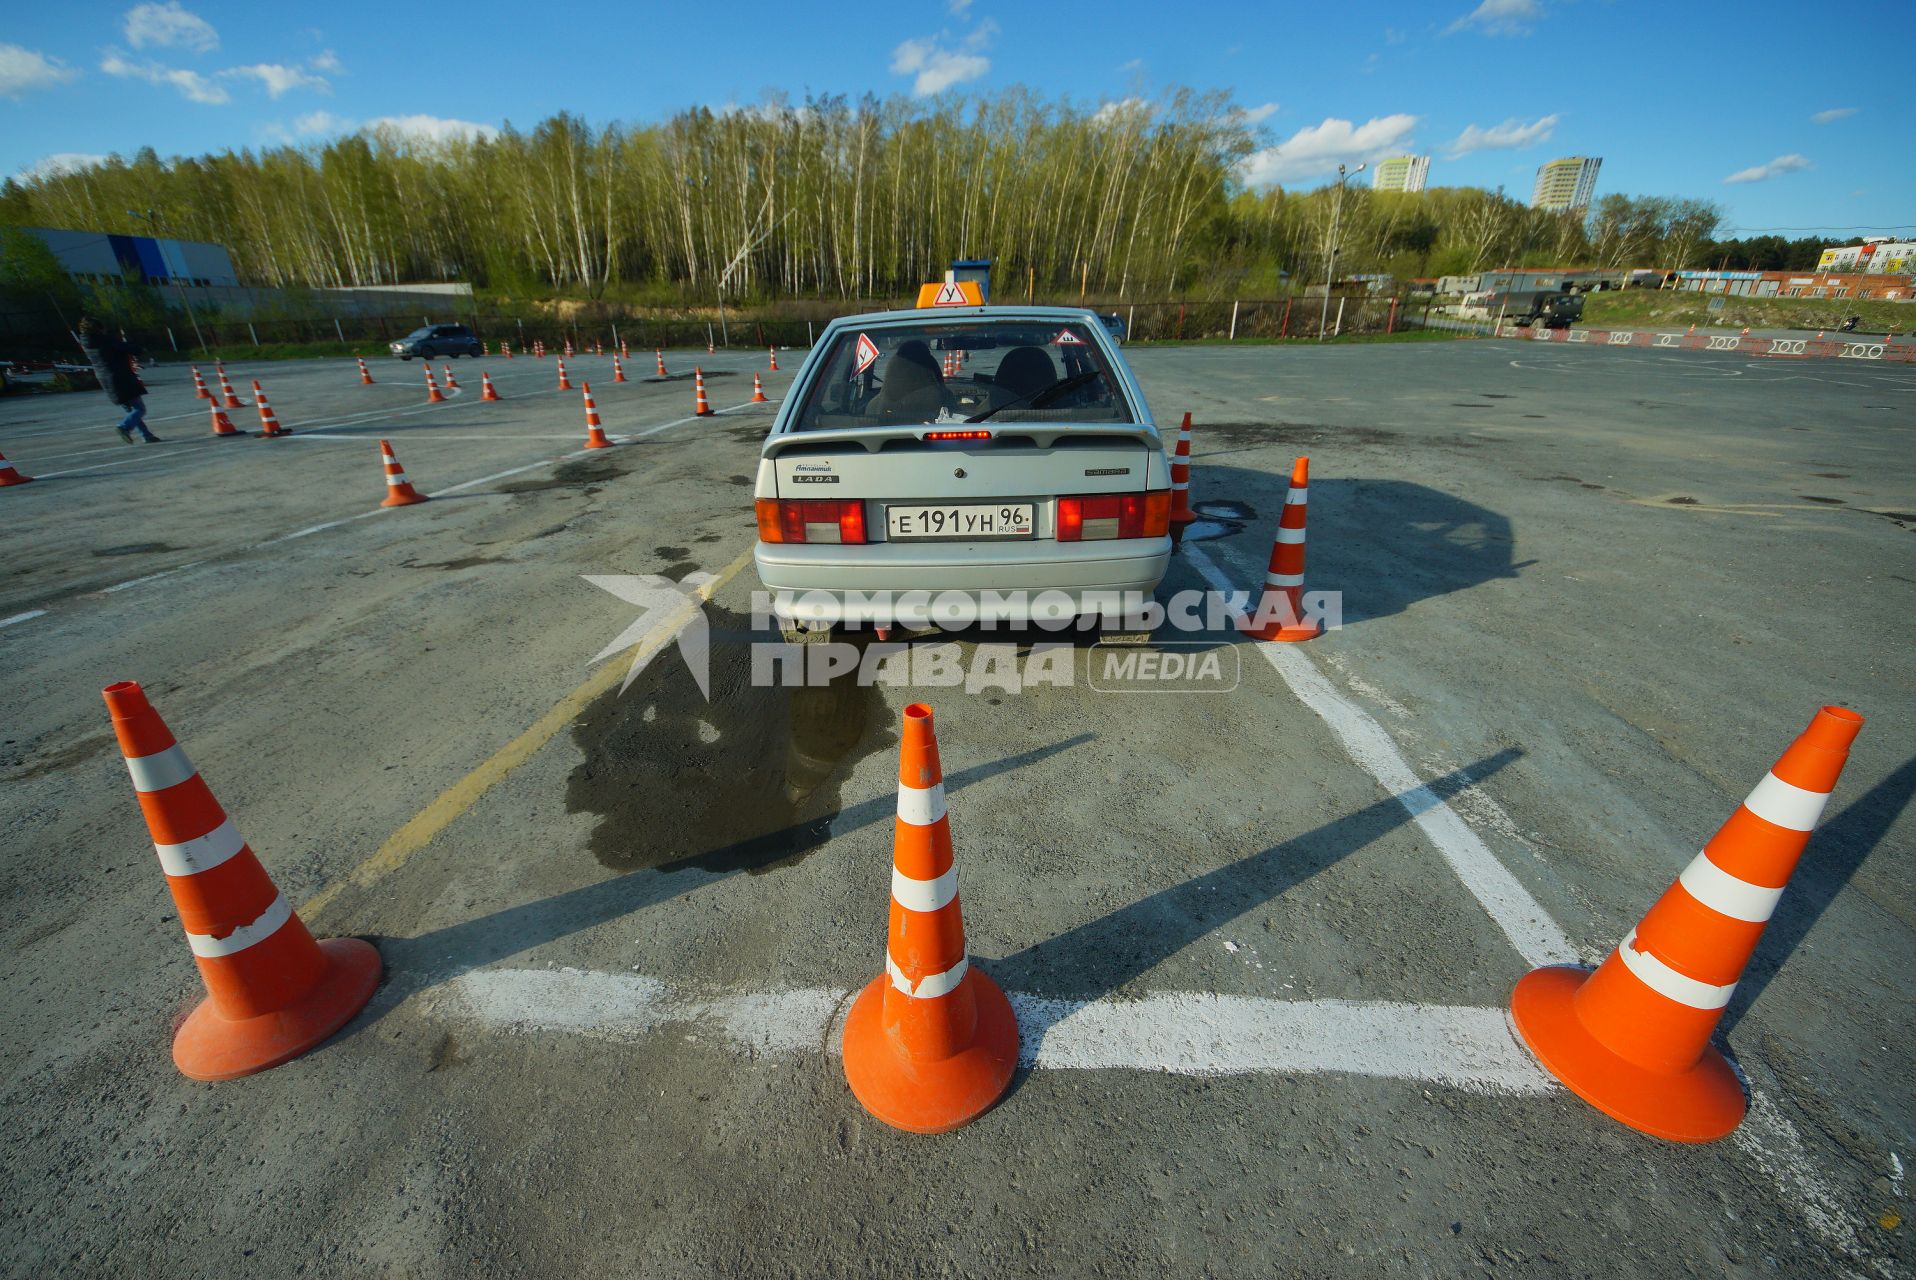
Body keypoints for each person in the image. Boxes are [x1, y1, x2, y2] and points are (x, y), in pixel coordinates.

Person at [76, 317, 162, 443]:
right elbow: (128, 349)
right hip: (120, 376)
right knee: (139, 409)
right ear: (99, 329)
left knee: (130, 410)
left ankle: (146, 435)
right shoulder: (106, 340)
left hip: (104, 378)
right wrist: (137, 347)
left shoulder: (86, 343)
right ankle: (123, 426)